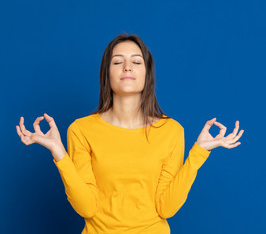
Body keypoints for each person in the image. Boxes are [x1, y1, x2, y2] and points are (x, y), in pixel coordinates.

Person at [16, 34, 244, 234]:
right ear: (107, 73)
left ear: (147, 75)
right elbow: (86, 207)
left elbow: (166, 208)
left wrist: (198, 153)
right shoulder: (81, 129)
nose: (127, 67)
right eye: (118, 62)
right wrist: (59, 153)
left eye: (136, 61)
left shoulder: (171, 131)